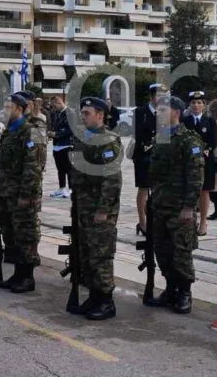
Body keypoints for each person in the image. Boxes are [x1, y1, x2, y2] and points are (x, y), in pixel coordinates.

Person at [146, 95, 204, 314]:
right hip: (160, 206)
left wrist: (189, 207)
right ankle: (170, 289)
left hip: (180, 208)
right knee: (163, 252)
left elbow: (195, 177)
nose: (158, 113)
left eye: (163, 110)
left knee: (181, 253)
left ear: (176, 114)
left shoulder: (190, 140)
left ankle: (185, 292)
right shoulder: (159, 138)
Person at [69, 96, 123, 320]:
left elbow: (111, 179)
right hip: (83, 207)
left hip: (99, 210)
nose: (83, 116)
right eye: (82, 113)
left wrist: (103, 209)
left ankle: (105, 300)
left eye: (87, 113)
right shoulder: (84, 139)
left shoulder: (108, 140)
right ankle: (93, 296)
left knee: (101, 255)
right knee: (86, 254)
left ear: (100, 115)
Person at [0, 92, 44, 294]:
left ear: (20, 109)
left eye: (9, 107)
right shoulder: (9, 132)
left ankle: (27, 276)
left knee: (25, 235)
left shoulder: (30, 132)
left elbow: (33, 168)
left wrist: (27, 195)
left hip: (22, 196)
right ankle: (17, 273)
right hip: (7, 193)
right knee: (11, 235)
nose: (5, 111)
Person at [183, 91, 217, 237]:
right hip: (189, 161)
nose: (196, 105)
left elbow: (213, 141)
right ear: (189, 105)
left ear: (204, 105)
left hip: (205, 161)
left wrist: (204, 150)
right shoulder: (185, 121)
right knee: (188, 190)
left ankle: (203, 222)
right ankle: (189, 221)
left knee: (204, 191)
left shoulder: (210, 121)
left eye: (199, 103)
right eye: (193, 103)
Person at [132, 84, 162, 236]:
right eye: (158, 95)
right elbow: (138, 135)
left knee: (159, 189)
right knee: (144, 188)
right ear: (151, 97)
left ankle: (156, 220)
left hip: (160, 156)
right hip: (144, 154)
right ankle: (142, 221)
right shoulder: (141, 112)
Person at [48, 95, 74, 199]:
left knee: (69, 169)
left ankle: (72, 189)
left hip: (67, 145)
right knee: (60, 169)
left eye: (54, 106)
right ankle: (62, 188)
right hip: (57, 146)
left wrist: (57, 134)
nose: (53, 108)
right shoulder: (57, 113)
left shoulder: (70, 113)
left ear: (59, 102)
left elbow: (70, 129)